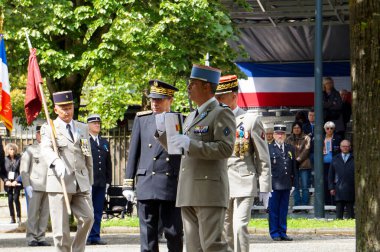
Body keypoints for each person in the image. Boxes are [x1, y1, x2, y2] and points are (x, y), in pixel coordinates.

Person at [157, 64, 236, 251]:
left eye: (193, 84)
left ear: (207, 87)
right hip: (188, 188)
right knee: (194, 248)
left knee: (213, 245)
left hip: (209, 190)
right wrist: (162, 132)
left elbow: (225, 148)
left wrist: (189, 144)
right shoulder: (193, 115)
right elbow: (179, 148)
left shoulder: (221, 112)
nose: (188, 88)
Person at [123, 80, 183, 252]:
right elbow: (133, 151)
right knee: (148, 236)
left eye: (160, 100)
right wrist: (128, 182)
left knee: (174, 233)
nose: (155, 103)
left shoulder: (179, 120)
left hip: (170, 183)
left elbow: (182, 155)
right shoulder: (142, 120)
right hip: (147, 181)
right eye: (153, 100)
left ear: (170, 100)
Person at [215, 75, 271, 252]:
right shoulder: (215, 119)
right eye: (216, 97)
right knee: (225, 231)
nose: (218, 101)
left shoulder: (250, 120)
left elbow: (263, 156)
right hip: (221, 183)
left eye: (222, 97)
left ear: (233, 95)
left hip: (243, 181)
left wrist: (265, 187)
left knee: (239, 227)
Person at [40, 90, 94, 252]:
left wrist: (90, 181)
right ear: (56, 109)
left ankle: (77, 250)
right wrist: (55, 161)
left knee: (88, 218)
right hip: (59, 182)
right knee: (61, 230)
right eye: (63, 108)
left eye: (69, 107)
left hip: (80, 181)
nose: (67, 111)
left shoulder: (82, 127)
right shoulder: (49, 127)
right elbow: (46, 148)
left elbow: (87, 156)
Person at [20, 126, 51, 246]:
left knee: (45, 213)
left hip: (49, 186)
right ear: (37, 134)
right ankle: (31, 237)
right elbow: (24, 170)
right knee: (33, 214)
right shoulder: (31, 150)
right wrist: (27, 185)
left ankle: (41, 236)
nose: (43, 136)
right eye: (41, 133)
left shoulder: (50, 149)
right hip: (35, 185)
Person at [86, 114, 112, 246]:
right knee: (87, 211)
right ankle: (86, 236)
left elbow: (108, 163)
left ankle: (95, 236)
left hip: (101, 182)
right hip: (89, 181)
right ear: (88, 125)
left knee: (97, 210)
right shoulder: (85, 141)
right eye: (94, 123)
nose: (97, 125)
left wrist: (108, 181)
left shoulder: (104, 142)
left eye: (98, 123)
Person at [268, 124, 296, 241]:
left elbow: (293, 167)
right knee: (274, 210)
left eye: (282, 134)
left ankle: (283, 232)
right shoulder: (268, 148)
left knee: (284, 210)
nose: (280, 135)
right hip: (274, 184)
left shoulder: (290, 148)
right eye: (278, 133)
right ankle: (274, 233)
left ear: (285, 135)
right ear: (274, 135)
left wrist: (293, 183)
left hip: (286, 183)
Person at [285, 122, 311, 209]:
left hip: (304, 165)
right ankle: (297, 206)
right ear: (292, 129)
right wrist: (293, 161)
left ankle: (304, 205)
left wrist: (298, 160)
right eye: (295, 128)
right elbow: (287, 151)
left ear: (301, 128)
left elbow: (306, 150)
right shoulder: (288, 139)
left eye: (298, 127)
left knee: (305, 186)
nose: (296, 129)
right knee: (295, 186)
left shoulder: (306, 138)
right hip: (293, 166)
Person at [328, 140, 355, 219]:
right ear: (340, 147)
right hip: (338, 188)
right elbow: (330, 175)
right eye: (343, 146)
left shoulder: (354, 158)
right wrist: (331, 187)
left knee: (350, 211)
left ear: (350, 147)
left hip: (351, 188)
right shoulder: (335, 158)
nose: (345, 148)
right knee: (339, 212)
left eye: (347, 146)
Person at [1, 143, 22, 224]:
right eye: (10, 149)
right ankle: (12, 217)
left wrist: (17, 180)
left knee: (16, 199)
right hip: (8, 183)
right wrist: (6, 180)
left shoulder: (19, 158)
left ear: (15, 150)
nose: (12, 151)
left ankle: (19, 217)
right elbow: (1, 173)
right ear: (7, 150)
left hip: (17, 182)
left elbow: (22, 171)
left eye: (13, 149)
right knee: (10, 200)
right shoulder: (4, 160)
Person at [323, 121, 342, 206]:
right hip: (324, 164)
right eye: (327, 128)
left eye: (331, 128)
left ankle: (334, 203)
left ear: (334, 129)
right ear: (325, 129)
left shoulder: (338, 138)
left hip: (334, 163)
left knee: (334, 182)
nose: (329, 130)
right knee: (326, 182)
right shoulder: (321, 138)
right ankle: (327, 203)